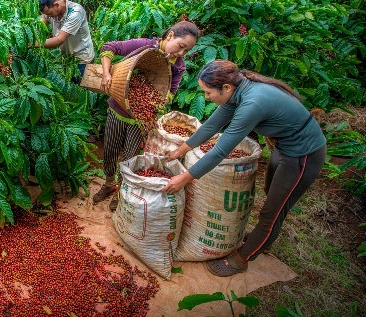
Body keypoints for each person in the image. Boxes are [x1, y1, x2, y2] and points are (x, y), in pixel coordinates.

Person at [162, 60, 327, 277]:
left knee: (272, 211)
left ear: (226, 88)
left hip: (303, 155)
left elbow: (221, 151)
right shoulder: (236, 92)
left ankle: (243, 258)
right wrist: (180, 150)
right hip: (283, 148)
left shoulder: (252, 103)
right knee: (272, 197)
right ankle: (264, 237)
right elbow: (211, 126)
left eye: (208, 92)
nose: (206, 97)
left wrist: (185, 178)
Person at [92, 20, 200, 211]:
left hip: (139, 120)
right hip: (117, 111)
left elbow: (171, 92)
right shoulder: (145, 46)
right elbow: (109, 48)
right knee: (110, 150)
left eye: (186, 51)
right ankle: (109, 184)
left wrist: (158, 100)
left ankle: (121, 191)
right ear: (170, 36)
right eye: (181, 46)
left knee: (131, 157)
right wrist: (107, 74)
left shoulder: (178, 66)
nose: (181, 53)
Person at [37, 0, 95, 79]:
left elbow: (59, 39)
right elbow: (39, 27)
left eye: (50, 13)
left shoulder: (75, 12)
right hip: (67, 58)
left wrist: (34, 44)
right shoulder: (49, 11)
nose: (49, 16)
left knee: (83, 89)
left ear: (56, 5)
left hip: (82, 59)